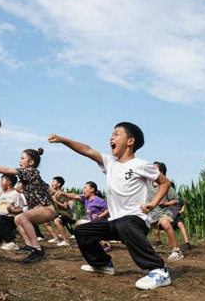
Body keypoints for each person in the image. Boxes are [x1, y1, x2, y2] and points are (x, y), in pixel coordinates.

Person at [48, 123, 173, 290]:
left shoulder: (141, 164)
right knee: (82, 231)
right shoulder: (110, 162)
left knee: (124, 223)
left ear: (130, 141)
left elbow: (165, 182)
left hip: (137, 221)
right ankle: (103, 264)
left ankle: (159, 270)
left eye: (116, 134)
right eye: (111, 135)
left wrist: (152, 204)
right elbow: (86, 150)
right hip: (116, 222)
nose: (111, 138)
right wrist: (62, 140)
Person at [0, 148, 54, 264]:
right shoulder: (32, 176)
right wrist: (42, 198)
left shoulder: (30, 171)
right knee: (18, 219)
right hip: (42, 208)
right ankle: (29, 245)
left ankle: (37, 249)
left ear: (31, 162)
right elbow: (50, 190)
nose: (19, 161)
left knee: (21, 217)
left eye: (22, 158)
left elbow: (5, 169)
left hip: (47, 209)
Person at [148, 161, 184, 262]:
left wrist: (165, 204)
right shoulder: (147, 184)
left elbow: (176, 200)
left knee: (164, 222)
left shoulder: (166, 185)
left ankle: (177, 251)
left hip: (167, 210)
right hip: (154, 212)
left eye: (154, 169)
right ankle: (149, 248)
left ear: (161, 172)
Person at [46, 176, 75, 247]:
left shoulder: (62, 194)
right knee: (46, 222)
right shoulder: (53, 194)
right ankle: (56, 238)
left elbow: (65, 206)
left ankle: (66, 241)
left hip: (66, 214)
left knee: (57, 221)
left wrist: (55, 201)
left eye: (54, 181)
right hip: (58, 213)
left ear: (59, 184)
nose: (52, 183)